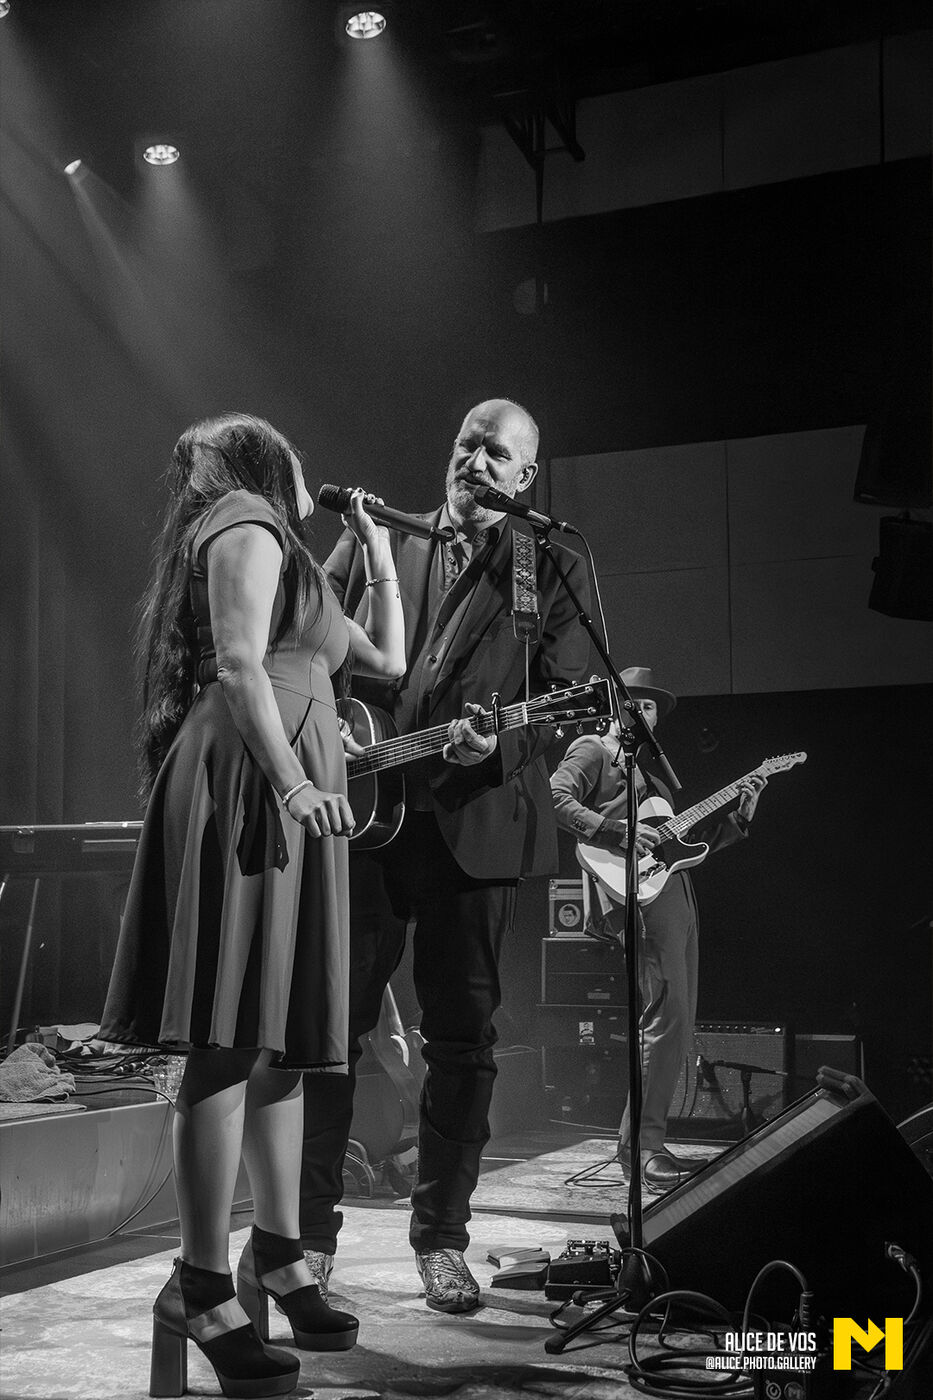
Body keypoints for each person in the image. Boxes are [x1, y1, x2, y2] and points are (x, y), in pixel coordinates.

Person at [100, 413, 405, 1400]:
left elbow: (389, 661)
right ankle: (200, 1283)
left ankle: (277, 1252)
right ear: (263, 461)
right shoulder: (240, 518)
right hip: (250, 781)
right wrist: (292, 782)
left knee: (286, 1041)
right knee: (231, 1037)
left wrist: (377, 549)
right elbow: (238, 663)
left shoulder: (299, 564)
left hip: (292, 789)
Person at [299, 398, 591, 1312]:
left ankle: (441, 1241)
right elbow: (310, 644)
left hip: (477, 824)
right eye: (467, 443)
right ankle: (306, 1242)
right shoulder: (387, 538)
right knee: (331, 1031)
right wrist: (326, 727)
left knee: (462, 1041)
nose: (475, 461)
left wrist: (497, 744)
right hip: (370, 816)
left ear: (525, 477)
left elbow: (565, 694)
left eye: (496, 453)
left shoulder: (551, 563)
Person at [549, 666, 767, 1192]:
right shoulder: (593, 750)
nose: (643, 712)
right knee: (665, 1017)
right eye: (636, 702)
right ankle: (643, 1149)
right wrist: (614, 830)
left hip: (674, 893)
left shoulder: (651, 772)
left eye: (650, 706)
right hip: (639, 896)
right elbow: (556, 797)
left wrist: (738, 817)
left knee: (679, 1021)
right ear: (614, 706)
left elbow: (680, 849)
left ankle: (643, 1143)